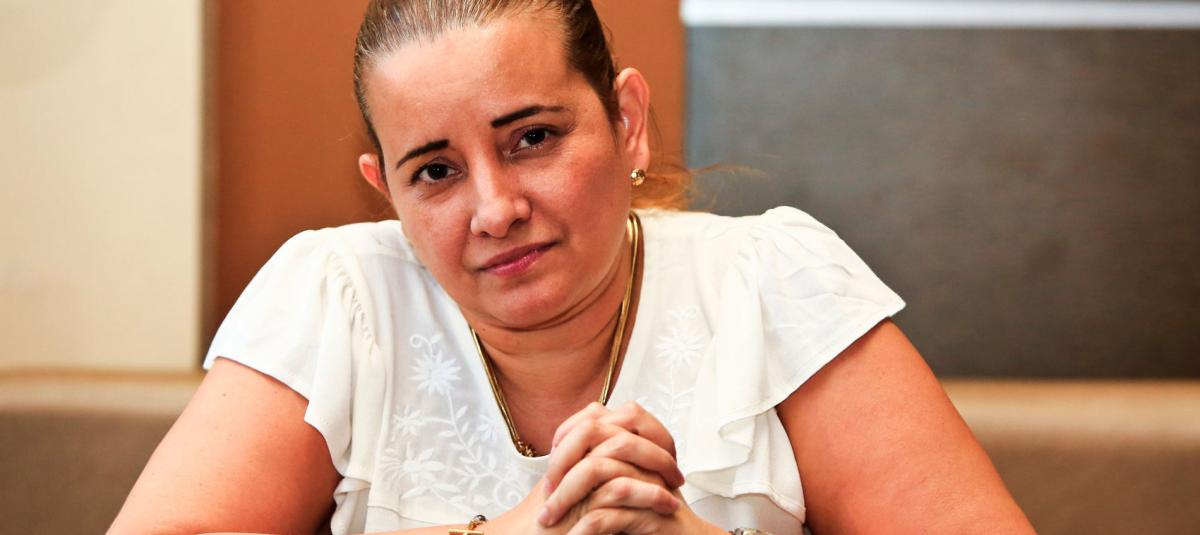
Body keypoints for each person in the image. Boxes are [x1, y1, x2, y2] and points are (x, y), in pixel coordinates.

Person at [111, 1, 1035, 533]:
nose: (495, 208)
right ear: (385, 191)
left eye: (533, 138)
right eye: (434, 171)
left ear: (625, 121)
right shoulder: (336, 298)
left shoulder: (773, 283)